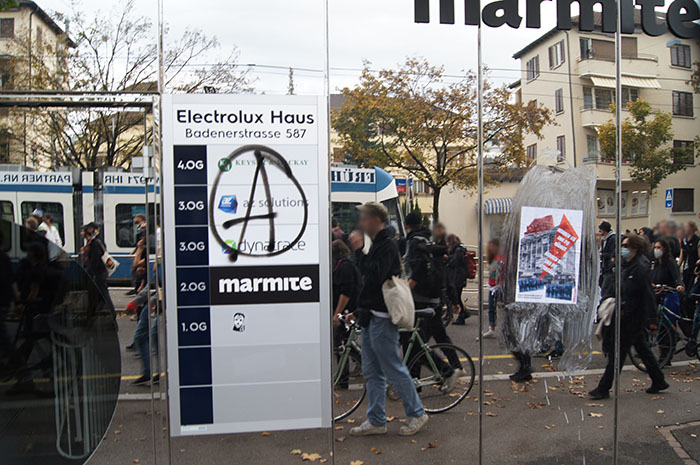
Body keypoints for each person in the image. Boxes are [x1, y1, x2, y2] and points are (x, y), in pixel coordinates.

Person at [345, 202, 428, 437]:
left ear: (374, 220)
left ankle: (417, 413)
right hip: (371, 318)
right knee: (372, 371)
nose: (361, 223)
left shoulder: (387, 244)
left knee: (393, 369)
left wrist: (360, 251)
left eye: (364, 218)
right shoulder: (379, 244)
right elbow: (370, 286)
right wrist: (360, 310)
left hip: (382, 320)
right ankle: (377, 420)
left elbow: (375, 276)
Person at [589, 234, 668, 399]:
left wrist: (652, 322)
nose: (622, 249)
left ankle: (603, 388)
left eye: (625, 246)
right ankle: (659, 379)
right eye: (622, 246)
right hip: (625, 315)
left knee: (617, 354)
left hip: (632, 317)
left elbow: (647, 296)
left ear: (635, 249)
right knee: (642, 349)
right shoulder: (625, 265)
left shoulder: (640, 268)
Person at [403, 212, 462, 390]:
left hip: (420, 300)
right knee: (433, 337)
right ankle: (454, 368)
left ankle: (443, 372)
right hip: (434, 298)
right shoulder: (428, 241)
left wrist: (405, 290)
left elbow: (418, 270)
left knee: (413, 343)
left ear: (406, 225)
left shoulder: (414, 242)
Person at [331, 239, 361, 388]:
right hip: (348, 310)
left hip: (347, 311)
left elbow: (345, 292)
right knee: (345, 343)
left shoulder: (344, 267)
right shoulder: (346, 265)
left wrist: (337, 313)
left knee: (341, 343)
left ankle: (342, 379)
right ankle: (344, 377)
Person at [82, 223, 116, 319]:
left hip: (98, 274)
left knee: (103, 295)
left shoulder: (95, 243)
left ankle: (111, 315)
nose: (81, 233)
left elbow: (95, 260)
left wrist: (88, 271)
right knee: (97, 295)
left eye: (83, 231)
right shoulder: (92, 243)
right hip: (96, 274)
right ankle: (91, 315)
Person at [446, 234, 470, 325]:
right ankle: (463, 313)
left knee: (456, 296)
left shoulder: (458, 250)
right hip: (459, 276)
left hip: (458, 277)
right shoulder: (460, 249)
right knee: (457, 296)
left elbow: (454, 262)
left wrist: (447, 258)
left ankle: (462, 314)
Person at [482, 238, 502, 339]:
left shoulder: (502, 258)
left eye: (493, 246)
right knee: (491, 308)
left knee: (501, 308)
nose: (491, 248)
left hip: (499, 287)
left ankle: (504, 330)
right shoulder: (493, 258)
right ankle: (492, 328)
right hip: (492, 286)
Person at [127, 214, 148, 296]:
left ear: (140, 218)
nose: (134, 219)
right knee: (136, 269)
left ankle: (139, 288)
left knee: (137, 268)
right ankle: (137, 287)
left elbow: (142, 240)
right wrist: (134, 251)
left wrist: (137, 251)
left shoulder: (143, 228)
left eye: (135, 218)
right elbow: (138, 242)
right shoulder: (140, 228)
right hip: (140, 251)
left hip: (143, 252)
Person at [680, 222, 700, 293]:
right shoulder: (684, 240)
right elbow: (682, 254)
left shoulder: (697, 240)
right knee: (684, 288)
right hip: (685, 268)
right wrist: (678, 265)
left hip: (693, 268)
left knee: (690, 290)